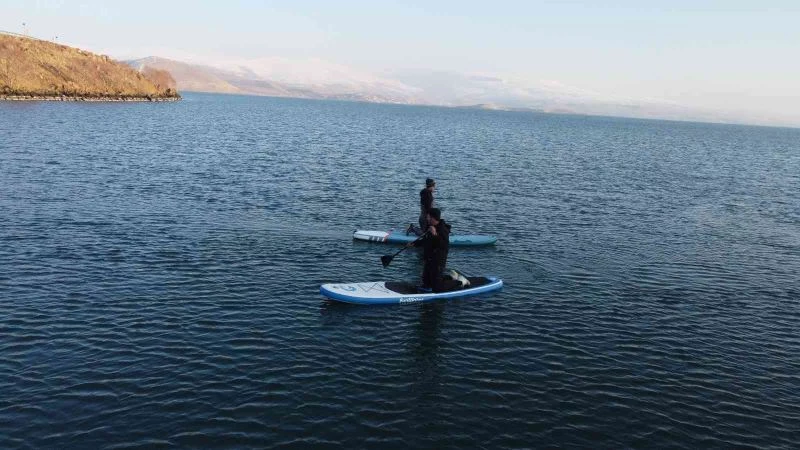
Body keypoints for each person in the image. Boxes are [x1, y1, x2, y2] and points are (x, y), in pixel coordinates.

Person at [409, 208, 455, 292]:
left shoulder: (443, 230)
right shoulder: (430, 227)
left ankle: (459, 282)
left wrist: (435, 234)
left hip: (438, 260)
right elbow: (425, 240)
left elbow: (443, 246)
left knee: (437, 288)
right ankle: (450, 277)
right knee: (426, 283)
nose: (427, 218)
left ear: (433, 218)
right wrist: (415, 244)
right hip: (429, 259)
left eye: (428, 217)